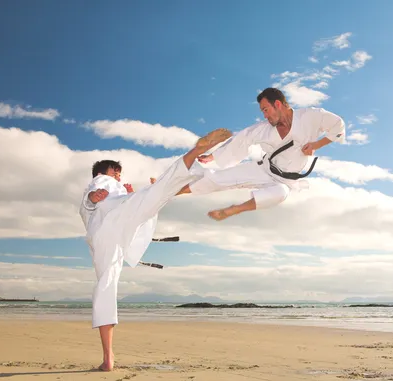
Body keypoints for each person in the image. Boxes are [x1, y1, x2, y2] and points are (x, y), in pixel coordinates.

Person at [78, 128, 232, 372]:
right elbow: (88, 202)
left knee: (106, 287)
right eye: (113, 170)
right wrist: (93, 197)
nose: (117, 174)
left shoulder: (114, 187)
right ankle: (190, 159)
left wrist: (127, 196)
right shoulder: (100, 180)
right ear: (101, 172)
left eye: (118, 171)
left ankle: (108, 357)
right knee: (155, 193)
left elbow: (104, 205)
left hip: (112, 235)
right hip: (111, 227)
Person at [175, 87, 346, 221]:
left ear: (277, 104)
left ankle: (234, 209)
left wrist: (317, 144)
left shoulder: (310, 116)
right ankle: (172, 190)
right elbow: (242, 138)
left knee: (281, 194)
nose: (264, 115)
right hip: (264, 170)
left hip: (287, 181)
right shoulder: (263, 129)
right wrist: (214, 156)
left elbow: (338, 125)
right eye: (262, 111)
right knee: (219, 178)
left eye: (265, 109)